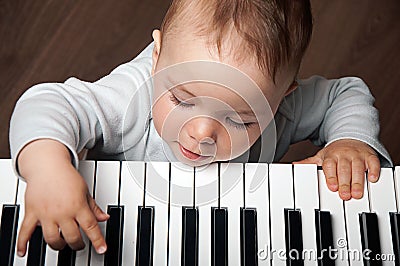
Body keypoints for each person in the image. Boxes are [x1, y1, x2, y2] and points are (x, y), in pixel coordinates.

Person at [9, 0, 392, 256]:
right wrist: (48, 168)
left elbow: (345, 93)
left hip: (232, 232)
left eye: (240, 118)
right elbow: (48, 102)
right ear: (157, 58)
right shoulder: (133, 97)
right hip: (118, 229)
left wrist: (349, 141)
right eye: (182, 100)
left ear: (282, 98)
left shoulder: (281, 107)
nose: (202, 131)